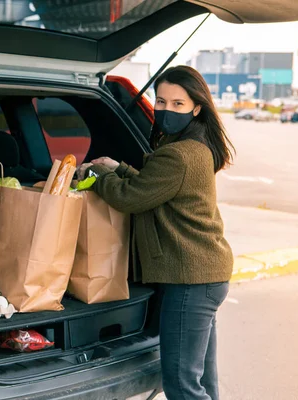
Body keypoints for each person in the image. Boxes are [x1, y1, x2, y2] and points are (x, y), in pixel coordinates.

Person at [78, 65, 234, 400]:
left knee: (181, 384)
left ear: (196, 107)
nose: (165, 110)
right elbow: (156, 185)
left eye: (177, 104)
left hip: (191, 280)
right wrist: (118, 168)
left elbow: (131, 197)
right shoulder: (193, 147)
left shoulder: (179, 154)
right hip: (206, 276)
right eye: (161, 101)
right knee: (202, 381)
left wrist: (97, 175)